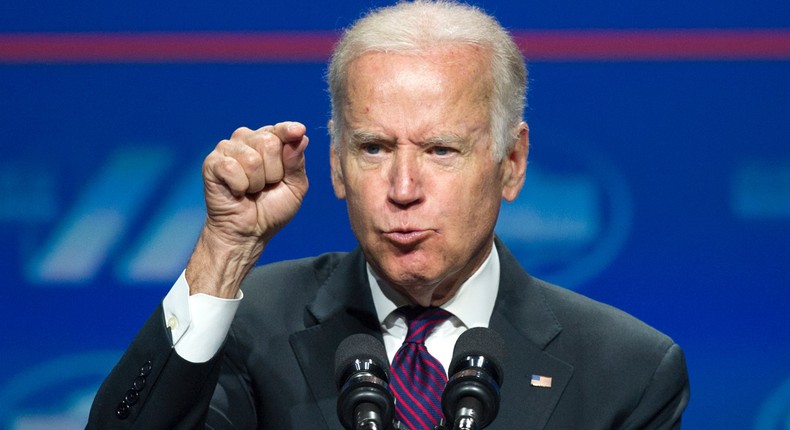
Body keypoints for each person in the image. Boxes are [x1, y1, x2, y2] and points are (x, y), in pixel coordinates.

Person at [87, 1, 690, 429]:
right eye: (373, 148)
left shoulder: (625, 371)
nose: (403, 188)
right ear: (335, 165)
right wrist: (224, 251)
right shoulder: (253, 330)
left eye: (440, 150)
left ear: (511, 162)